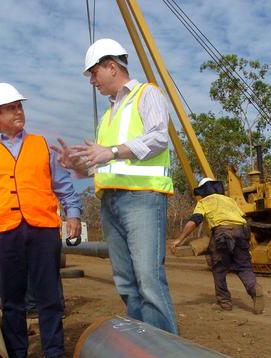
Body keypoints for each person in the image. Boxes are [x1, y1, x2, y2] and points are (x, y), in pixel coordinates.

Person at [51, 38, 177, 334]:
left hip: (142, 199)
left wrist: (112, 151)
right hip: (111, 202)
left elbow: (159, 137)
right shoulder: (108, 115)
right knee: (125, 281)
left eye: (93, 73)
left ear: (111, 67)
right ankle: (141, 345)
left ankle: (166, 352)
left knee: (148, 279)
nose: (92, 81)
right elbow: (105, 162)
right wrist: (80, 166)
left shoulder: (148, 94)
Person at [0, 82, 81, 358]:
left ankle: (54, 352)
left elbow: (62, 184)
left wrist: (73, 211)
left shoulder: (41, 145)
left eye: (19, 106)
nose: (18, 112)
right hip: (1, 233)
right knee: (11, 301)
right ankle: (18, 356)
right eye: (10, 108)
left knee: (49, 295)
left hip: (42, 229)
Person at [170, 178, 264, 314]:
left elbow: (194, 221)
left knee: (219, 268)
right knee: (243, 266)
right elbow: (243, 217)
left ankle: (224, 303)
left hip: (222, 233)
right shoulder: (230, 200)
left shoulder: (204, 202)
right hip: (242, 232)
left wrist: (179, 239)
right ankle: (254, 289)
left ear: (203, 191)